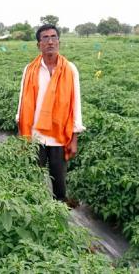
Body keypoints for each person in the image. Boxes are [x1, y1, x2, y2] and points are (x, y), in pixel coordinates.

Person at [16, 24, 85, 202]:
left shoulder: (70, 69)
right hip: (35, 135)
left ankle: (59, 219)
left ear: (59, 42)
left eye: (53, 37)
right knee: (33, 181)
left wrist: (75, 137)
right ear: (38, 45)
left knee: (59, 184)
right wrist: (21, 135)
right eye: (45, 38)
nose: (50, 41)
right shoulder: (30, 70)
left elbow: (75, 103)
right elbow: (22, 101)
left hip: (59, 136)